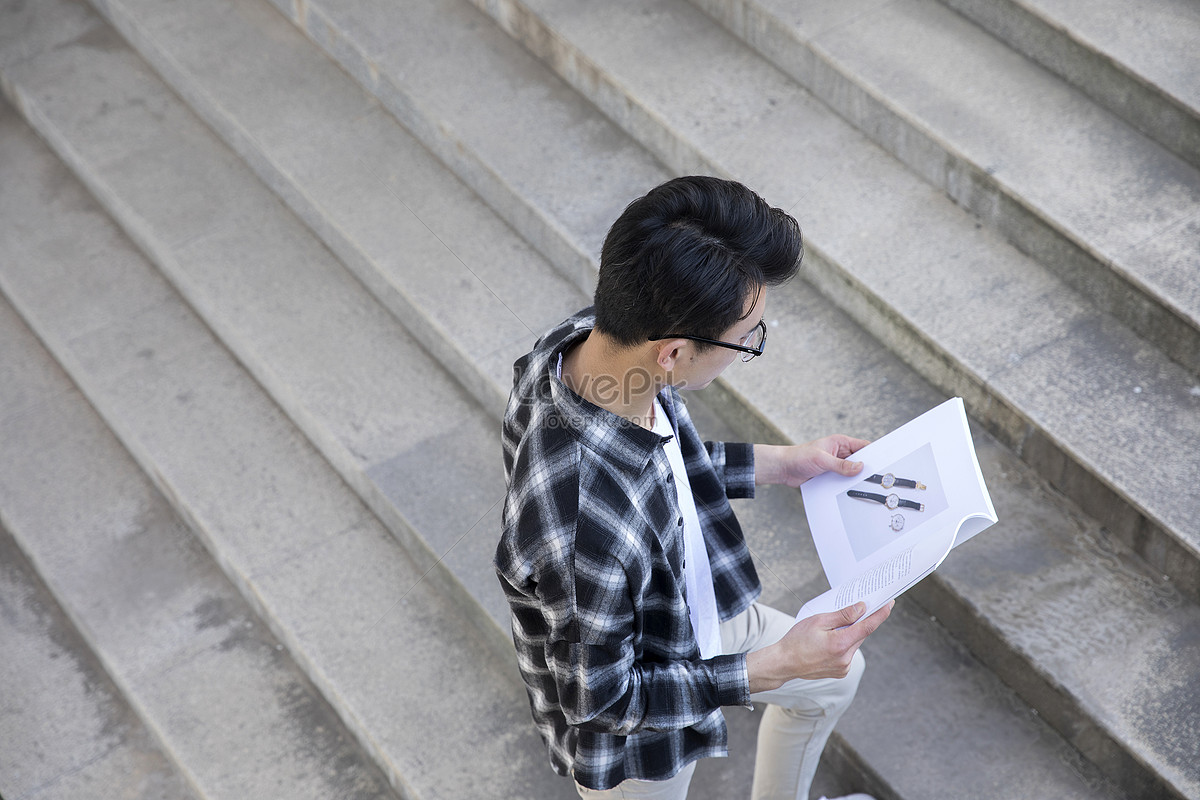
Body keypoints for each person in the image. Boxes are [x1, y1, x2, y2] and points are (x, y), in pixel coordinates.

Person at [495, 176, 892, 800]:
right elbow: (604, 701)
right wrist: (775, 667)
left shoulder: (595, 344)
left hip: (687, 607)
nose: (750, 345)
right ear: (674, 355)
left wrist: (782, 462)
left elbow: (661, 467)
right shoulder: (581, 531)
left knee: (836, 678)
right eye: (748, 336)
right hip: (634, 735)